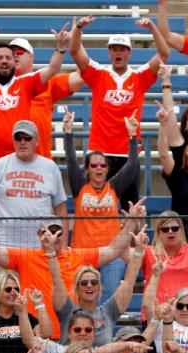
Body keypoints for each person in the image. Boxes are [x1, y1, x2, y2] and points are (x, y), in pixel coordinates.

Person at [0, 201, 139, 334]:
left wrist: (131, 222)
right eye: (49, 232)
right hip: (36, 336)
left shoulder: (78, 256)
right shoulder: (25, 257)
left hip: (72, 337)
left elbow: (113, 250)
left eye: (58, 232)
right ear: (40, 235)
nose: (55, 237)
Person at [71, 17, 169, 204]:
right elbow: (75, 50)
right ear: (109, 52)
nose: (118, 52)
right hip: (100, 153)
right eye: (114, 49)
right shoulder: (98, 74)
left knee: (129, 208)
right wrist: (78, 27)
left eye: (122, 49)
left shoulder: (139, 76)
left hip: (128, 154)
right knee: (96, 205)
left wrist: (152, 28)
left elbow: (164, 53)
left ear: (129, 53)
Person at [0, 21, 64, 173]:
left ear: (13, 62)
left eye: (9, 58)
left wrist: (60, 49)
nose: (4, 60)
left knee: (17, 197)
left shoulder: (24, 83)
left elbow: (53, 69)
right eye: (0, 57)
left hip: (18, 159)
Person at [63, 111, 142, 294]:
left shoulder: (114, 187)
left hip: (111, 254)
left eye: (103, 165)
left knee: (108, 303)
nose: (99, 168)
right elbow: (71, 161)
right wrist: (68, 131)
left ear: (107, 169)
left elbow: (131, 166)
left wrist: (132, 135)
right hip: (82, 254)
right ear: (87, 170)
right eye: (94, 165)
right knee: (80, 302)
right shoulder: (79, 186)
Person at [0, 118, 67, 253]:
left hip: (40, 247)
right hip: (3, 249)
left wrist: (62, 245)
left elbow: (61, 209)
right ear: (13, 140)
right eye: (18, 138)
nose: (22, 142)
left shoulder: (51, 167)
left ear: (37, 140)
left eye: (27, 138)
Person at [49, 235, 144, 349]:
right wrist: (50, 250)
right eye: (84, 283)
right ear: (77, 288)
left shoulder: (108, 311)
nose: (89, 286)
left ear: (99, 288)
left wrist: (138, 251)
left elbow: (129, 281)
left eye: (94, 282)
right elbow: (56, 279)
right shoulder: (68, 310)